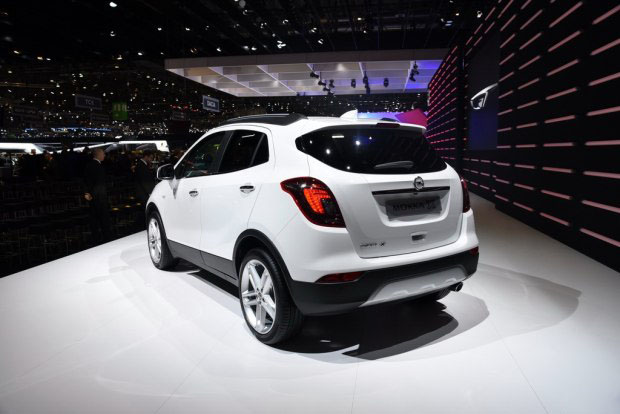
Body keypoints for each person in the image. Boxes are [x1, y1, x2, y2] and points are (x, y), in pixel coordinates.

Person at [84, 148, 112, 244]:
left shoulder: (88, 165)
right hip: (100, 197)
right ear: (98, 155)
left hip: (92, 197)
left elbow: (87, 181)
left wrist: (87, 193)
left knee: (95, 221)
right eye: (103, 154)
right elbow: (100, 184)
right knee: (104, 220)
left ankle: (96, 239)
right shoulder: (99, 166)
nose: (104, 155)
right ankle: (107, 239)